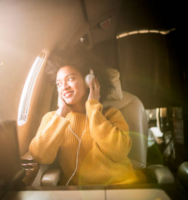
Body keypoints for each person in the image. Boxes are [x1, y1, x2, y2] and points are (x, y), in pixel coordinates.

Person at [29, 50, 145, 186]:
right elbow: (40, 156)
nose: (64, 87)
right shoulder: (52, 119)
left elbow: (118, 152)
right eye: (59, 83)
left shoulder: (111, 114)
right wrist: (61, 113)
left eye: (70, 79)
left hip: (123, 188)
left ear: (89, 81)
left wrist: (93, 107)